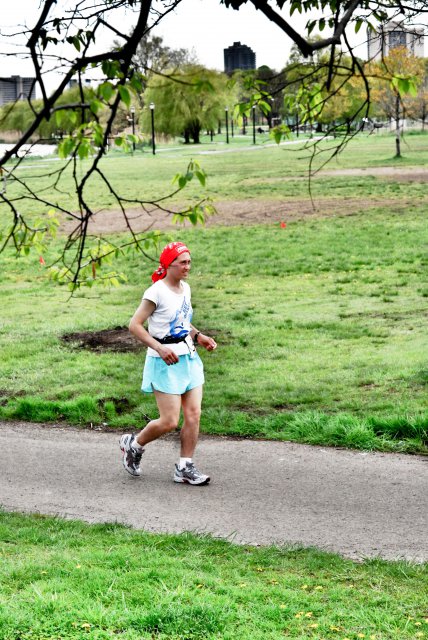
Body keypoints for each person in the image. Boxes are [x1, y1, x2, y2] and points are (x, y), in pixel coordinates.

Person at [120, 241, 217, 485]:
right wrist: (160, 348)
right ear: (168, 265)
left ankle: (184, 466)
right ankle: (135, 445)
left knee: (193, 414)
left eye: (189, 262)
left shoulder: (186, 288)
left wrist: (198, 336)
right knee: (169, 421)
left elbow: (182, 321)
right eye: (183, 263)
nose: (187, 267)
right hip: (164, 362)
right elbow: (134, 325)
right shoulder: (156, 292)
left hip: (189, 358)